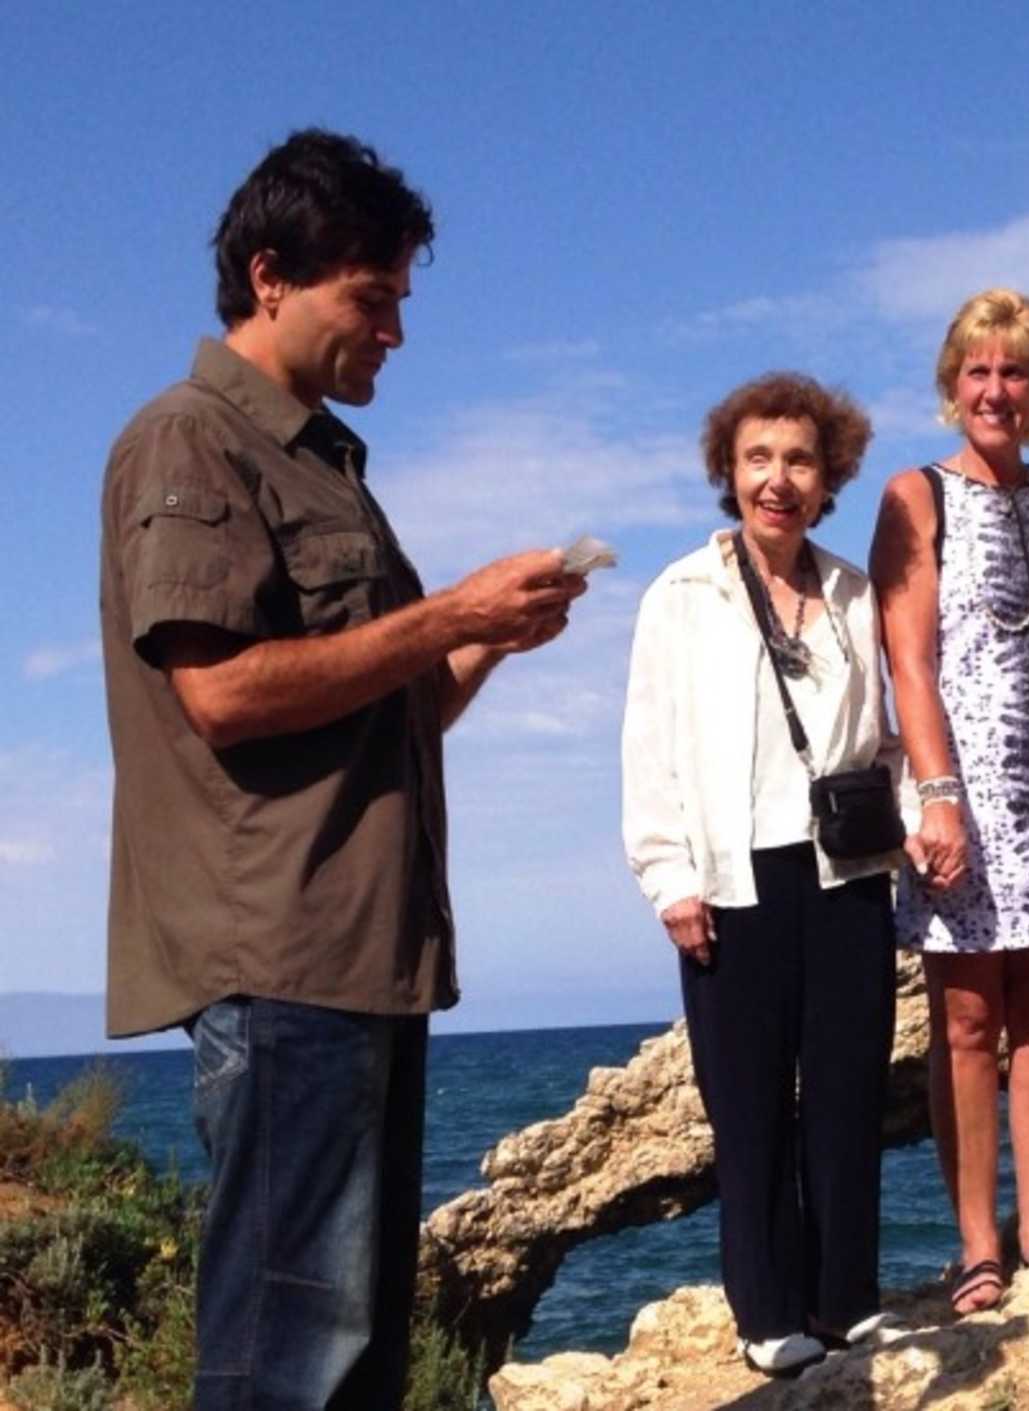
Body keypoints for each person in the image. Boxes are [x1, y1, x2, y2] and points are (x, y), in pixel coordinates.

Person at [98, 130, 586, 1408]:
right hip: (282, 961)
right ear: (271, 277)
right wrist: (442, 615)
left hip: (360, 960)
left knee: (353, 1355)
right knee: (285, 1360)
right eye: (373, 300)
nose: (395, 335)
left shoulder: (325, 468)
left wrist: (483, 638)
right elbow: (219, 692)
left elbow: (394, 709)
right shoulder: (190, 439)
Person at [622, 373, 902, 1376]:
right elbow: (649, 749)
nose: (777, 480)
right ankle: (768, 1310)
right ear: (728, 472)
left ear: (830, 477)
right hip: (731, 884)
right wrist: (671, 880)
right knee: (746, 1106)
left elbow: (888, 734)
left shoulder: (857, 597)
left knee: (843, 1094)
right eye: (758, 459)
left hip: (846, 876)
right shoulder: (680, 596)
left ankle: (844, 1300)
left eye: (797, 461)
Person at [871, 288, 1029, 1315]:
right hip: (965, 791)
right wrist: (937, 800)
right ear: (951, 384)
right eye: (977, 371)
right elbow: (910, 665)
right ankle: (980, 1246)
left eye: (1015, 372)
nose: (995, 390)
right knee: (968, 1021)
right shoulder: (915, 497)